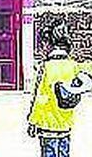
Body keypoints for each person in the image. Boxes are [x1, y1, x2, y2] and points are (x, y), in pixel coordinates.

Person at [27, 23, 81, 157]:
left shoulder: (46, 67)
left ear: (48, 44)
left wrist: (32, 121)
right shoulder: (73, 66)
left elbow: (40, 98)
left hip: (48, 123)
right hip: (66, 122)